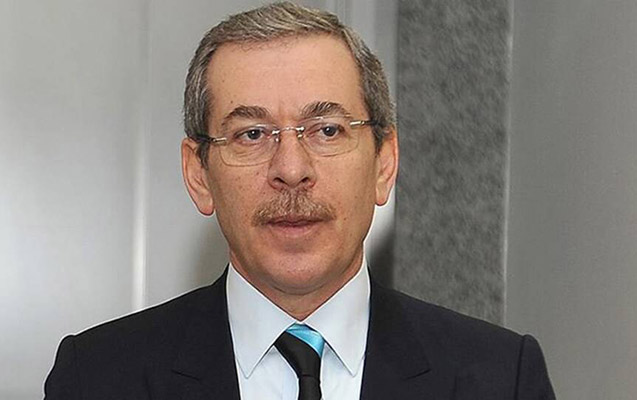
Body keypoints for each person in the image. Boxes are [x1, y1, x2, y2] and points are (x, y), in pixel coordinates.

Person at [44, 2, 555, 399]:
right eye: (251, 134)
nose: (291, 169)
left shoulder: (499, 378)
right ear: (198, 174)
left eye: (327, 130)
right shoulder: (97, 379)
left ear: (384, 164)